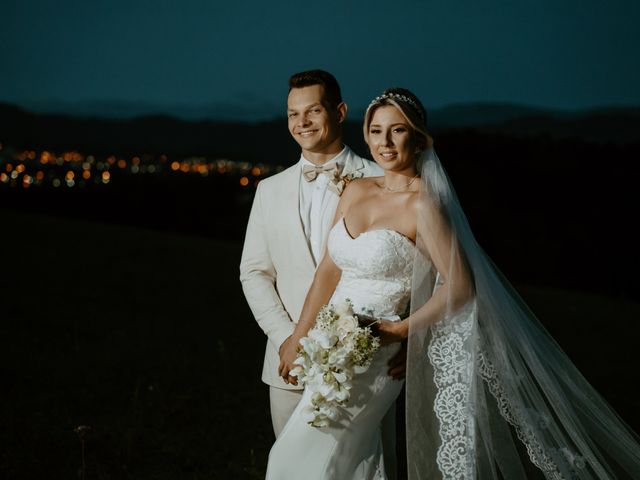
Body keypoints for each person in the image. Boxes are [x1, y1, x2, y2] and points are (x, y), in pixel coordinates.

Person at [268, 87, 640, 479]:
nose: (386, 142)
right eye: (377, 131)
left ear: (418, 137)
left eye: (398, 131)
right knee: (338, 463)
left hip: (375, 354)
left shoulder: (423, 205)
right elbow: (328, 270)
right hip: (328, 348)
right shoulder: (356, 190)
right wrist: (300, 335)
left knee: (296, 459)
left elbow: (460, 285)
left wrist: (401, 331)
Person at [240, 70, 402, 473]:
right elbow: (254, 273)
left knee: (362, 470)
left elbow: (411, 272)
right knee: (294, 470)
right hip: (287, 368)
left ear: (340, 111)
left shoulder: (384, 180)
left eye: (313, 110)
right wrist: (286, 340)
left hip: (368, 361)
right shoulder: (269, 190)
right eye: (293, 114)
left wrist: (409, 338)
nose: (302, 122)